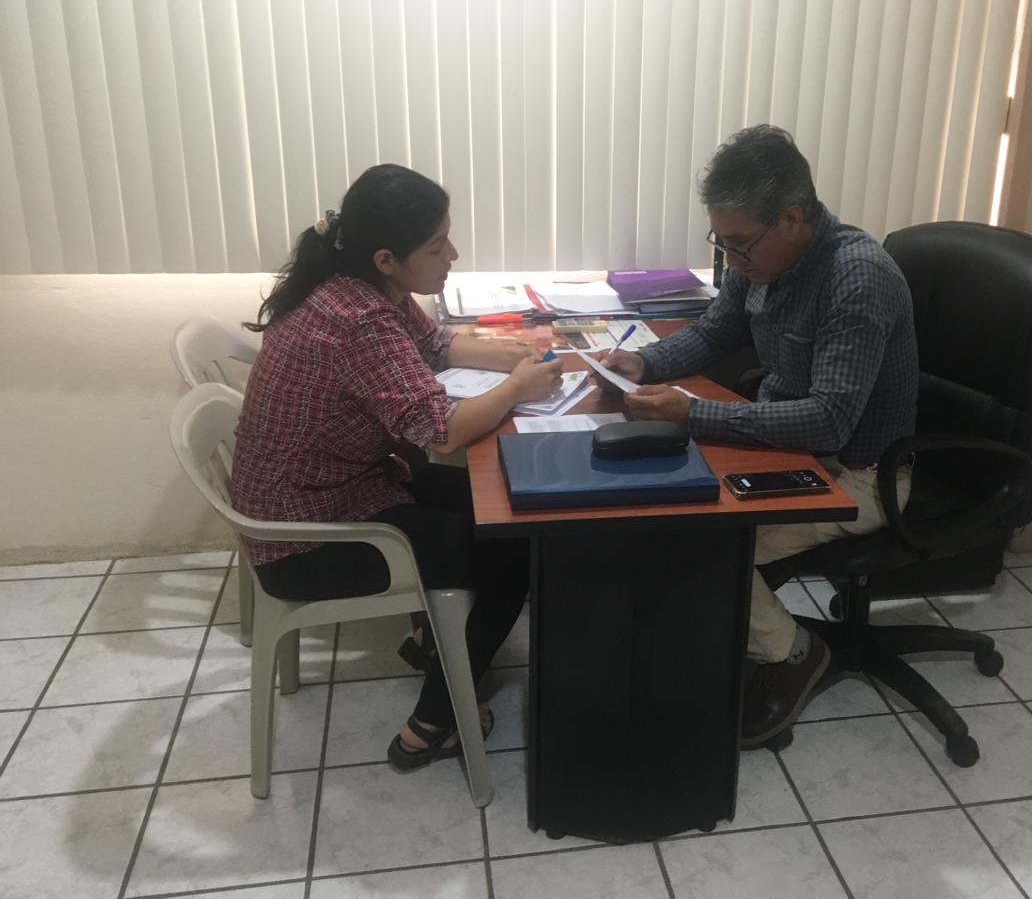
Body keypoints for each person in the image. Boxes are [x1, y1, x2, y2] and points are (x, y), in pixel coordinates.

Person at [232, 163, 563, 771]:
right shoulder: (358, 320)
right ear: (387, 259)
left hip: (345, 485)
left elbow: (435, 345)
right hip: (305, 537)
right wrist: (517, 387)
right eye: (437, 246)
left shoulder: (360, 286)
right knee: (511, 547)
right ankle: (431, 725)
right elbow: (442, 430)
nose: (452, 255)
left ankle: (429, 638)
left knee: (493, 496)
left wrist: (519, 355)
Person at [601, 125, 919, 748]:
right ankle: (728, 633)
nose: (732, 258)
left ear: (793, 218)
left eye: (739, 244)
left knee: (700, 543)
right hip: (791, 448)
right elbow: (715, 331)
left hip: (860, 475)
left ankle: (793, 652)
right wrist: (645, 363)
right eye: (721, 242)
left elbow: (829, 419)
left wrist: (693, 415)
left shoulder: (857, 278)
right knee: (660, 511)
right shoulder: (761, 256)